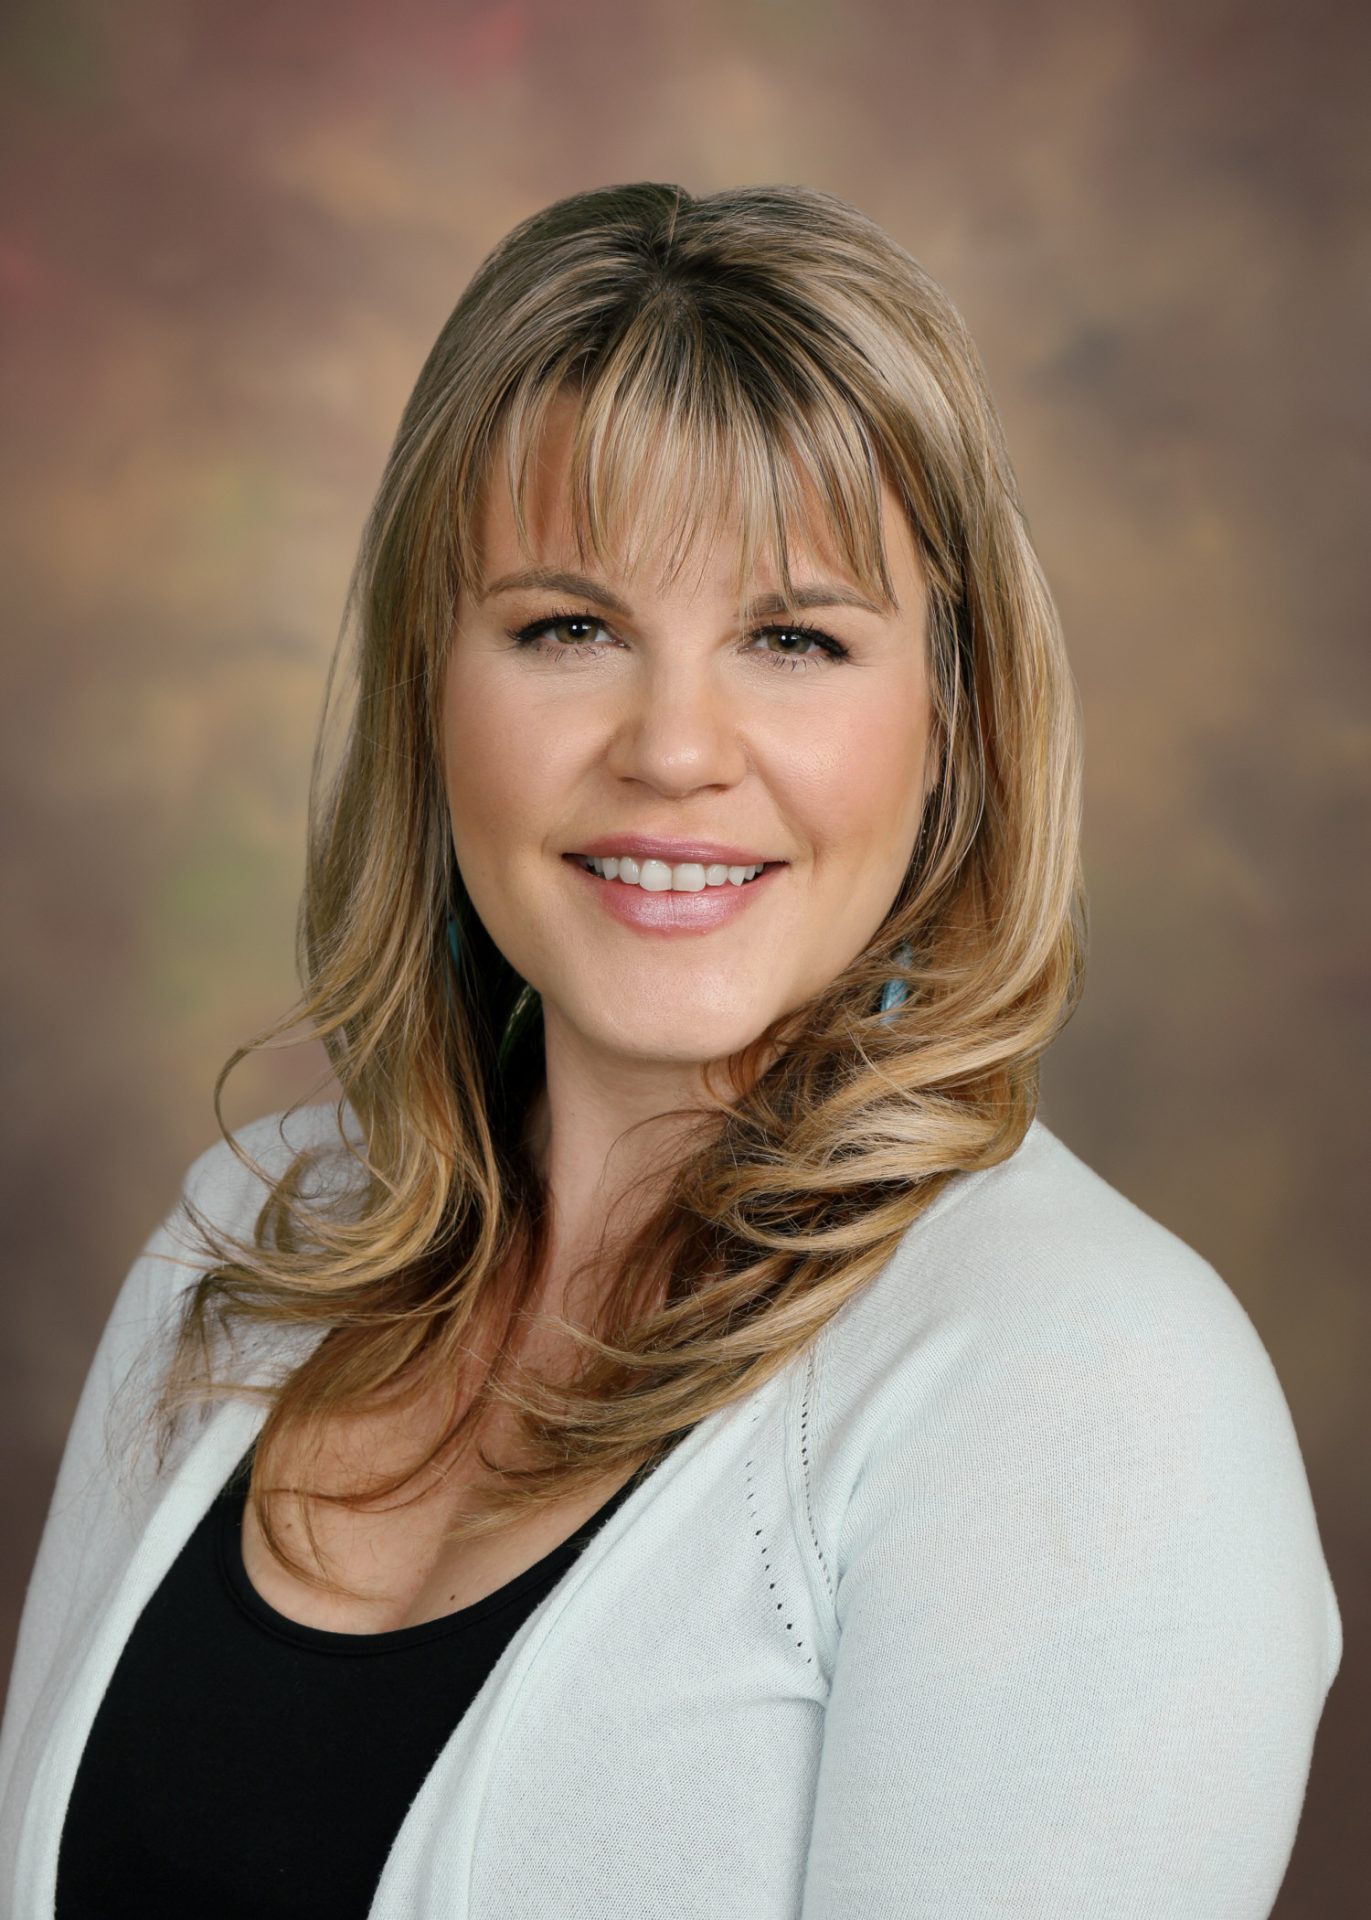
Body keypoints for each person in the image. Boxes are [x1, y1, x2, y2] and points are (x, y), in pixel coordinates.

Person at [0, 182, 1341, 1919]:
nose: (676, 749)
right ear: (433, 686)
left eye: (794, 639)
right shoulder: (241, 1249)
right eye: (569, 628)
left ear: (957, 721)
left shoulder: (1088, 1391)